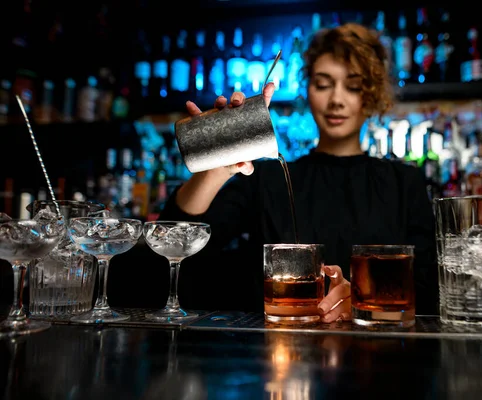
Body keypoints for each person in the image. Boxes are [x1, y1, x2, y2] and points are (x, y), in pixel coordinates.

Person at [159, 22, 438, 322]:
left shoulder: (404, 184)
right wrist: (218, 164)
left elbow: (429, 289)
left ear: (370, 97)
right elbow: (176, 249)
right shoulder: (268, 178)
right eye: (323, 83)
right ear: (307, 90)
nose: (336, 100)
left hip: (382, 359)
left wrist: (361, 298)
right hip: (279, 357)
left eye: (353, 86)